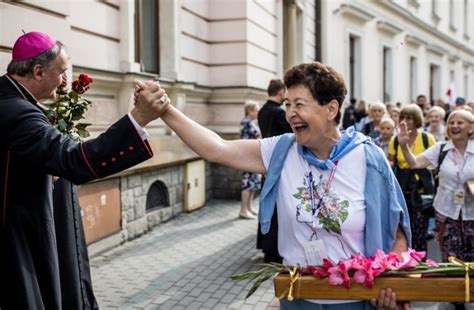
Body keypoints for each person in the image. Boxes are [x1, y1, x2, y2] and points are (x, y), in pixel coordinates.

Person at [144, 62, 411, 310]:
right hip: (297, 297)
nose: (291, 113)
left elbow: (397, 234)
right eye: (287, 104)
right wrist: (165, 110)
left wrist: (391, 282)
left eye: (299, 104)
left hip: (354, 299)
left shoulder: (368, 159)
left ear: (331, 109)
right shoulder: (282, 151)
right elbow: (217, 148)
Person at [0, 31, 167, 309]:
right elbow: (75, 160)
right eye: (61, 72)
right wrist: (138, 119)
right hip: (17, 242)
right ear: (38, 71)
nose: (65, 80)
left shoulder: (8, 98)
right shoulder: (19, 113)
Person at [397, 109, 473, 310]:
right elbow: (413, 163)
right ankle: (457, 300)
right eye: (452, 122)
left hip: (472, 213)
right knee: (451, 257)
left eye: (460, 123)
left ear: (471, 128)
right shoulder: (440, 149)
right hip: (446, 212)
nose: (455, 126)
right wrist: (404, 145)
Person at [388, 104, 436, 253]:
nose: (405, 121)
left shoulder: (427, 138)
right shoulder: (395, 140)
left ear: (416, 120)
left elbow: (434, 163)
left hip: (421, 191)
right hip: (402, 189)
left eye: (409, 118)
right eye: (402, 117)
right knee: (402, 230)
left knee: (420, 232)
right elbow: (391, 162)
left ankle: (421, 263)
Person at [257, 79, 293, 263]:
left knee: (266, 202)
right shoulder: (279, 112)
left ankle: (265, 245)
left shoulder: (262, 110)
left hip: (265, 159)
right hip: (279, 159)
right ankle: (274, 250)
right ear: (280, 92)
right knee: (277, 207)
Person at [239, 102, 262, 219]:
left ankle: (249, 207)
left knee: (252, 183)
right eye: (256, 110)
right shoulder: (246, 123)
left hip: (252, 156)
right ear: (250, 111)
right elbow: (257, 137)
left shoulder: (251, 122)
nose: (258, 112)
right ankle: (243, 210)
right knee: (247, 184)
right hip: (247, 156)